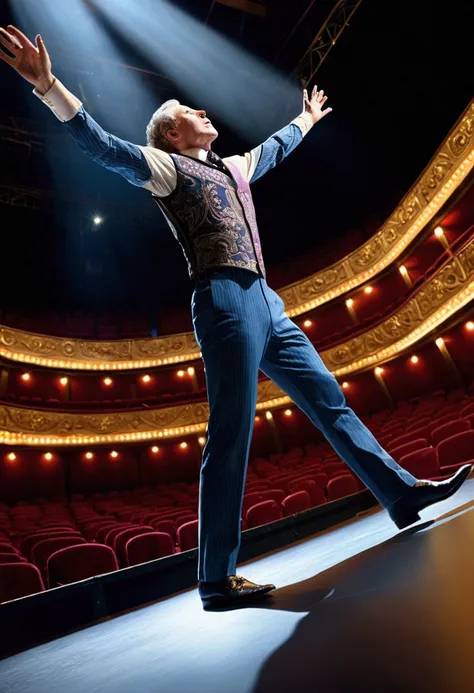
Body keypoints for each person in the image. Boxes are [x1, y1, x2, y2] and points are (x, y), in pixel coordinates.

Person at [1, 25, 471, 610]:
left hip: (266, 301)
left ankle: (401, 496)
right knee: (231, 431)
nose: (202, 110)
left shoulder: (233, 167)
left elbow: (272, 149)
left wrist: (306, 120)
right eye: (189, 111)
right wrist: (49, 87)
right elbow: (104, 148)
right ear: (173, 132)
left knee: (329, 400)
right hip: (221, 299)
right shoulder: (165, 167)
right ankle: (215, 579)